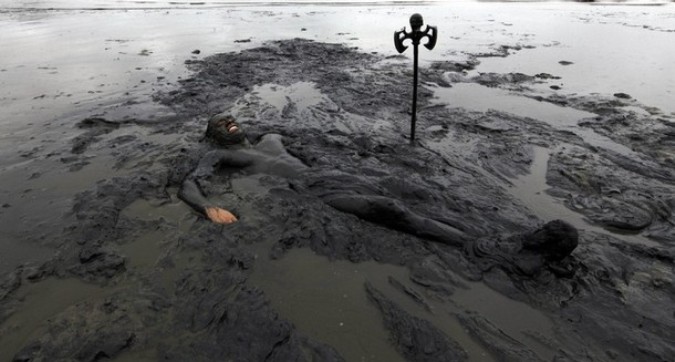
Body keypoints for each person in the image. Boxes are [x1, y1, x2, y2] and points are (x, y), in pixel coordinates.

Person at [179, 113, 472, 246]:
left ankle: (471, 228)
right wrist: (208, 208)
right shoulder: (224, 157)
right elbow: (188, 184)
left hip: (328, 173)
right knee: (388, 208)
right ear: (212, 136)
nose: (230, 122)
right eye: (221, 123)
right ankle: (473, 244)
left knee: (411, 190)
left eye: (231, 119)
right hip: (313, 190)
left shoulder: (270, 138)